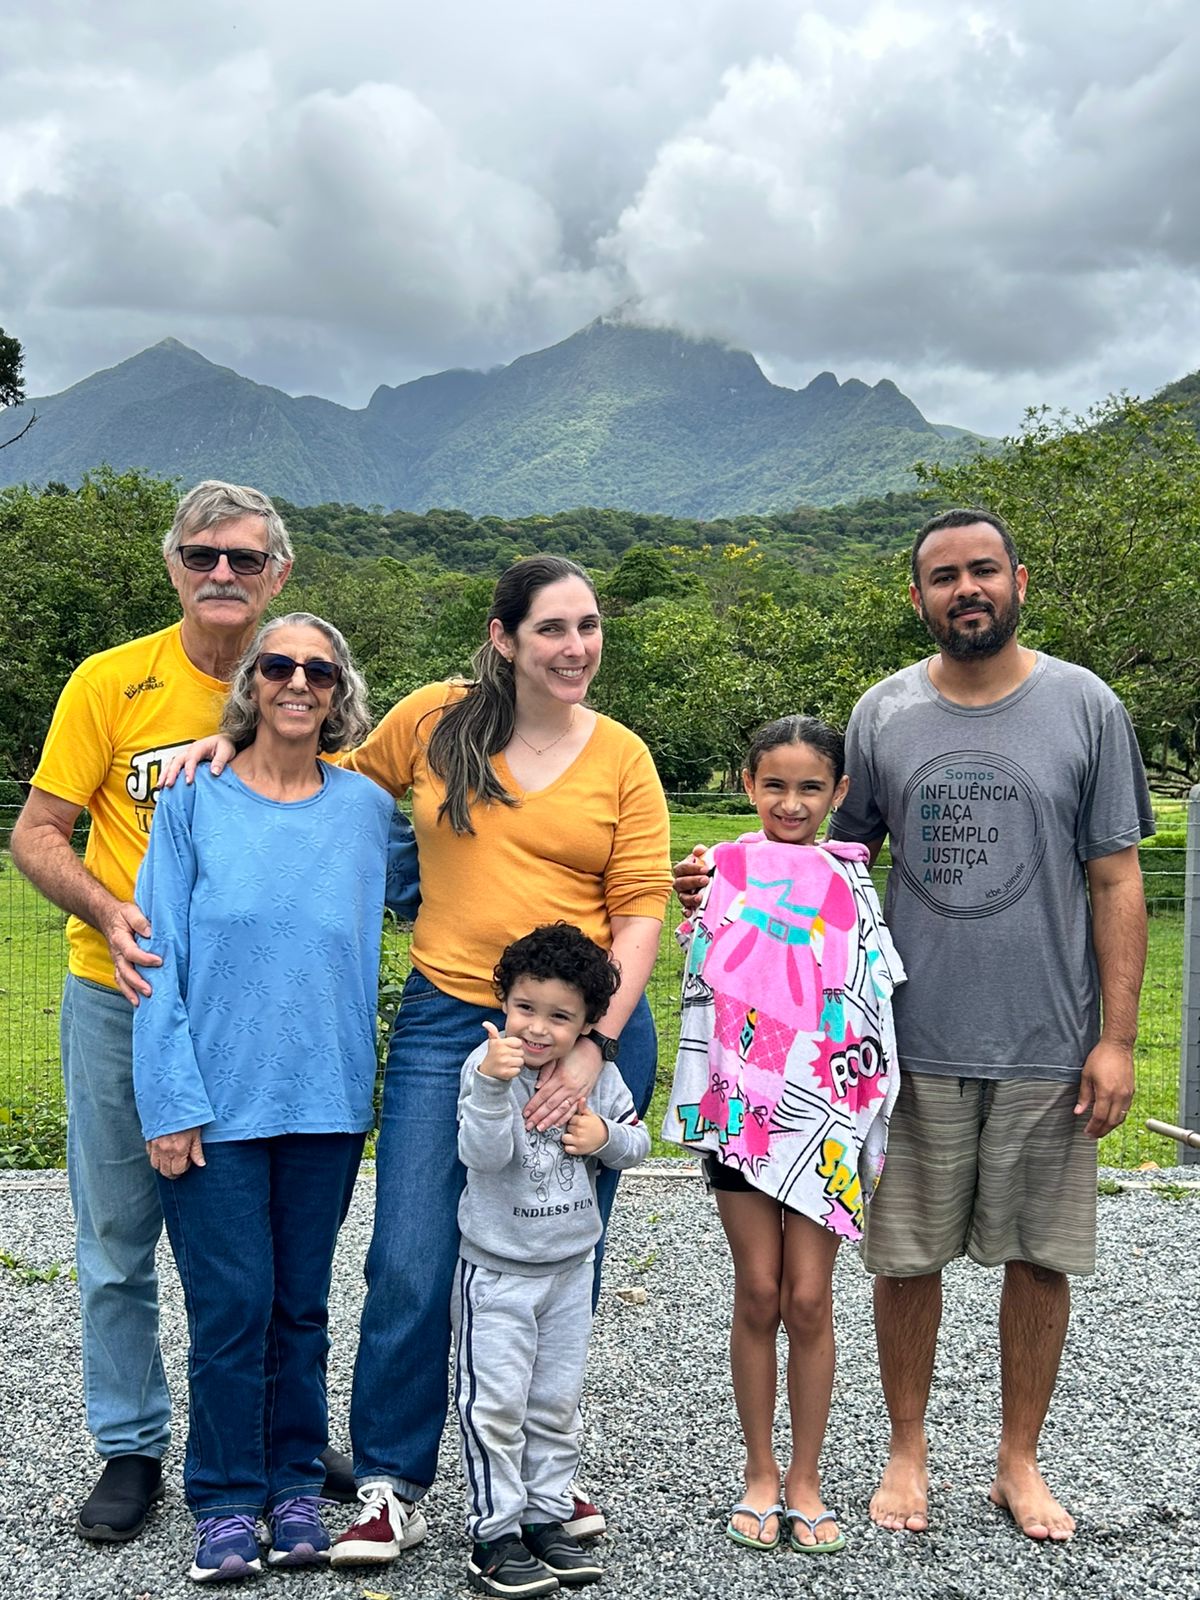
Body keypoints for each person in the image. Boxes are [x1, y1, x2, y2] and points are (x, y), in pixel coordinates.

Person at [172, 555, 671, 1565]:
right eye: (552, 630)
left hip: (590, 1029)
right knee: (410, 1255)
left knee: (559, 1258)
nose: (576, 647)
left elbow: (641, 909)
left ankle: (539, 1475)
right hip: (455, 1019)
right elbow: (317, 778)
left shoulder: (621, 754)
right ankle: (393, 1479)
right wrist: (220, 746)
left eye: (588, 626)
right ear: (504, 638)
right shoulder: (438, 719)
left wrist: (596, 1049)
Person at [677, 508, 1153, 1543]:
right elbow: (814, 865)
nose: (966, 588)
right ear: (917, 596)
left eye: (984, 570)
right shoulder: (883, 714)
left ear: (1019, 579)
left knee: (1040, 1258)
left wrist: (1116, 1037)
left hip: (1049, 1039)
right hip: (899, 1044)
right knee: (906, 1257)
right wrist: (720, 882)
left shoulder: (1087, 705)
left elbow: (1116, 877)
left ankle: (1017, 1460)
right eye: (944, 576)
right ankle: (908, 1447)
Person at [6, 480, 340, 1541]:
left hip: (252, 1013)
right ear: (175, 568)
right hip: (123, 992)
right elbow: (37, 830)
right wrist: (108, 908)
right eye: (202, 556)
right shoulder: (113, 683)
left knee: (258, 1250)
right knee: (117, 1233)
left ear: (280, 572)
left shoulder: (304, 685)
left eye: (245, 559)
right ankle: (130, 1443)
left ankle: (265, 1442)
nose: (223, 575)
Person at [132, 614, 391, 1581]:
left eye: (318, 669)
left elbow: (467, 877)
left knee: (300, 1307)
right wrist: (167, 1098)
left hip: (325, 1099)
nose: (297, 682)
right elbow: (154, 954)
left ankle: (292, 1485)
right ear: (251, 684)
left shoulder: (367, 810)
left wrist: (666, 886)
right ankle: (226, 1500)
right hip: (214, 1102)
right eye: (277, 666)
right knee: (231, 1305)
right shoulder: (195, 799)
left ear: (339, 690)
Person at [664, 716, 904, 1557]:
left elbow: (872, 992)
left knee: (810, 1299)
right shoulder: (717, 869)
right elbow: (702, 964)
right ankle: (759, 1473)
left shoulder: (852, 881)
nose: (792, 803)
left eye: (811, 787)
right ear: (747, 784)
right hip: (745, 1111)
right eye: (775, 785)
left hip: (827, 1119)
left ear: (839, 794)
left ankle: (806, 1478)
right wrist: (696, 892)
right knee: (758, 1292)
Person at [453, 923, 649, 1598]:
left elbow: (638, 1142)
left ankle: (546, 1515)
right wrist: (487, 1089)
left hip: (569, 1269)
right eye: (525, 1008)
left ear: (588, 1023)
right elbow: (482, 1158)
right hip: (498, 1272)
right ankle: (494, 1532)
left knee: (554, 1404)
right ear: (504, 1000)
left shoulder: (603, 1079)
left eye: (560, 1017)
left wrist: (605, 1137)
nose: (537, 1029)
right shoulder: (487, 1072)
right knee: (495, 1406)